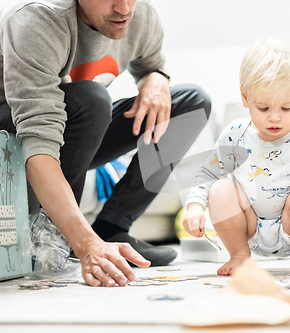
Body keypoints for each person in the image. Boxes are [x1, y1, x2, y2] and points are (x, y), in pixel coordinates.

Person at [0, 0, 211, 287]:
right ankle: (58, 238)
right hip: (14, 137)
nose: (124, 9)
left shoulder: (142, 14)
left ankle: (112, 227)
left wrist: (157, 78)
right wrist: (86, 244)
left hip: (77, 130)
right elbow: (39, 140)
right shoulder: (38, 19)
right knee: (93, 99)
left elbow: (151, 64)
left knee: (190, 103)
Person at [183, 39, 290, 275]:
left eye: (286, 108)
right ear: (245, 97)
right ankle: (239, 255)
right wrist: (194, 207)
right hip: (248, 228)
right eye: (263, 108)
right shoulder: (236, 134)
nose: (274, 118)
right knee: (220, 188)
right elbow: (208, 174)